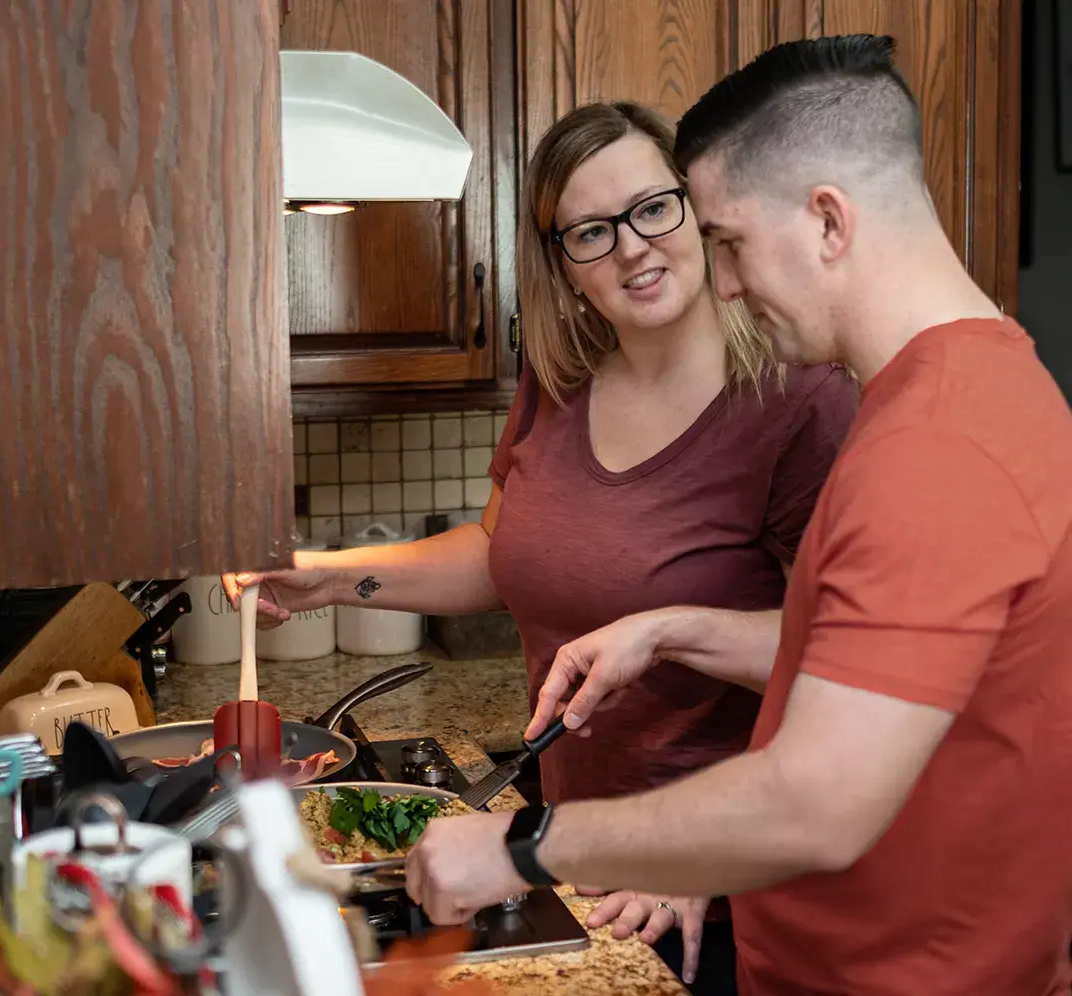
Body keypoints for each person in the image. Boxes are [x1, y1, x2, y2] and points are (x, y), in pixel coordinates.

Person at [403, 34, 1072, 996]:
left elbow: (814, 804)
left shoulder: (937, 448)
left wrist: (522, 844)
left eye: (725, 242)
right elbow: (849, 682)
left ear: (828, 222)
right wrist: (674, 627)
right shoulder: (971, 388)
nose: (719, 283)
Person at [227, 101, 858, 992]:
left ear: (697, 207)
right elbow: (500, 553)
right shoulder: (558, 383)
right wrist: (327, 578)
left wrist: (697, 857)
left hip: (723, 893)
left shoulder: (797, 402)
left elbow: (845, 664)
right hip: (575, 851)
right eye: (591, 232)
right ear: (560, 266)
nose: (633, 247)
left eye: (652, 207)